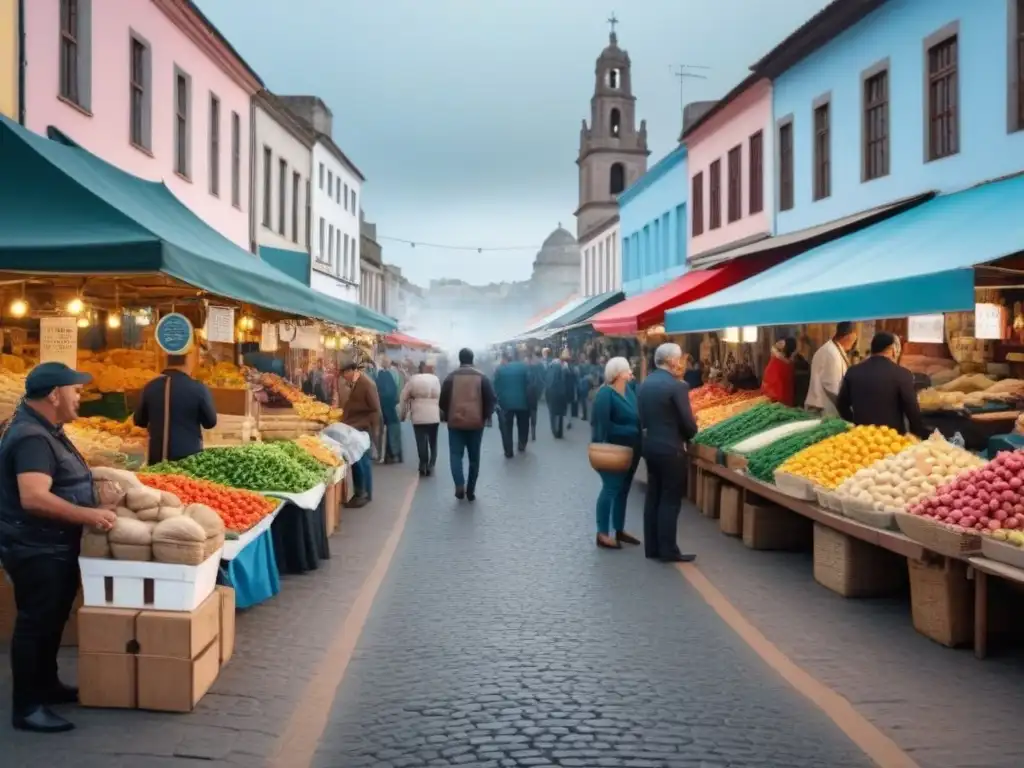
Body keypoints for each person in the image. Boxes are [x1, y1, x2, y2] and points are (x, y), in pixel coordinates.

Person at [0, 363, 118, 733]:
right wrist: (88, 514)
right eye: (75, 390)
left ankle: (46, 685)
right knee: (36, 623)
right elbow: (33, 497)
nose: (80, 396)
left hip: (50, 543)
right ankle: (27, 707)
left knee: (51, 619)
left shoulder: (45, 429)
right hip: (36, 545)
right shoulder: (32, 436)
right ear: (54, 395)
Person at [637, 343, 699, 563]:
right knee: (670, 499)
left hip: (650, 445)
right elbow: (687, 423)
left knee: (653, 496)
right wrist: (693, 432)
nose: (681, 363)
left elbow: (642, 417)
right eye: (679, 359)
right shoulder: (677, 386)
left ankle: (652, 547)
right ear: (672, 361)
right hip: (671, 448)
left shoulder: (645, 384)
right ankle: (668, 549)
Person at [590, 357, 642, 550]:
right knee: (610, 489)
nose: (631, 373)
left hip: (631, 450)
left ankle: (619, 529)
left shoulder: (628, 390)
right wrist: (630, 431)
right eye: (628, 370)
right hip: (613, 450)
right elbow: (604, 427)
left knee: (623, 490)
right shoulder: (605, 394)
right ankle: (602, 533)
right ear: (619, 373)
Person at [838, 332, 928, 437]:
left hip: (861, 438)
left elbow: (841, 405)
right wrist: (918, 434)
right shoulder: (902, 374)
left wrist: (855, 422)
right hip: (891, 439)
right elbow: (912, 410)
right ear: (892, 349)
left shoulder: (853, 372)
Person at [134, 354, 217, 465]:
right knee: (185, 482)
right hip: (189, 455)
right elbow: (210, 422)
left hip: (157, 455)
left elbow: (139, 421)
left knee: (158, 481)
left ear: (166, 362)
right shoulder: (198, 388)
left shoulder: (150, 387)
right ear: (187, 362)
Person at [439, 348, 496, 501]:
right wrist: (485, 416)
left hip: (455, 423)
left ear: (460, 359)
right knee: (474, 457)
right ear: (472, 359)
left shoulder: (451, 377)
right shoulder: (482, 378)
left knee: (455, 455)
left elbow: (442, 401)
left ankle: (459, 484)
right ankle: (470, 490)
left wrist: (448, 414)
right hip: (476, 424)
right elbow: (491, 399)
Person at [340, 361, 381, 507]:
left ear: (352, 370)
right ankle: (365, 493)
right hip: (357, 426)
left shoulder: (366, 384)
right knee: (361, 460)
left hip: (362, 427)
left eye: (345, 374)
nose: (344, 377)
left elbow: (375, 408)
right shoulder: (358, 383)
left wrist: (372, 429)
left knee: (360, 461)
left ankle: (362, 494)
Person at [400, 357, 441, 476]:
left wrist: (402, 414)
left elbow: (404, 397)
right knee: (433, 441)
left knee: (421, 441)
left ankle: (423, 464)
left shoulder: (413, 380)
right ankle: (431, 464)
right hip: (434, 415)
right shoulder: (436, 379)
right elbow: (441, 396)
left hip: (419, 415)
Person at [806, 322, 857, 417]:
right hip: (823, 408)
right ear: (850, 336)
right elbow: (832, 386)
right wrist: (848, 407)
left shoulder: (833, 349)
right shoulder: (831, 353)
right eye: (855, 338)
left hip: (827, 405)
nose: (854, 342)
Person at [493, 349, 530, 457]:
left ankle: (508, 450)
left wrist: (497, 400)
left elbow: (496, 386)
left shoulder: (500, 369)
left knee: (506, 427)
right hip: (523, 402)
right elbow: (530, 383)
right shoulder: (524, 367)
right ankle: (522, 443)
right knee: (523, 424)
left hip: (505, 403)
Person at [375, 356, 403, 464]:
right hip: (393, 405)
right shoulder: (395, 374)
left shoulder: (380, 374)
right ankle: (394, 453)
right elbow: (398, 388)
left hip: (383, 405)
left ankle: (382, 455)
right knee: (393, 428)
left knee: (382, 431)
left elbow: (377, 389)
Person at [761, 338, 797, 406]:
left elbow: (774, 348)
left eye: (782, 343)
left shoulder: (780, 360)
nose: (778, 343)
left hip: (775, 397)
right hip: (779, 397)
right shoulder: (788, 362)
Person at [545, 352, 570, 438]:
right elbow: (566, 380)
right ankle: (560, 432)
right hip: (561, 392)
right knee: (560, 412)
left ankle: (554, 430)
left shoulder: (549, 367)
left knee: (552, 412)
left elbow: (547, 379)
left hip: (550, 391)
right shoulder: (563, 367)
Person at [527, 350, 545, 442]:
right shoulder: (539, 367)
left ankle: (531, 430)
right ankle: (532, 429)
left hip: (529, 393)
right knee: (533, 412)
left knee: (530, 412)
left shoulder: (528, 367)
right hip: (533, 393)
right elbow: (542, 380)